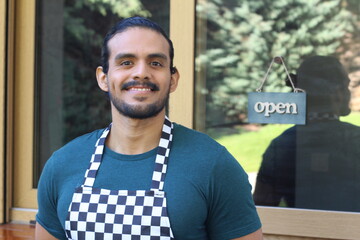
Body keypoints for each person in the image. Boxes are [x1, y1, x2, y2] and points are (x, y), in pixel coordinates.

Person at [35, 17, 263, 240]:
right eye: (126, 62)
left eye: (156, 63)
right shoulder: (62, 165)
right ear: (103, 78)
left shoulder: (214, 165)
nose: (141, 73)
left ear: (173, 79)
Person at [253, 55, 360, 211]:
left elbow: (261, 212)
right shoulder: (355, 140)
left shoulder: (281, 146)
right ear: (337, 93)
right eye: (346, 87)